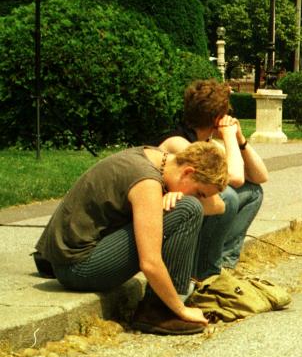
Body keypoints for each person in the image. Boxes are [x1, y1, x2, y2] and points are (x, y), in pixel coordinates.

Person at [34, 142, 228, 335]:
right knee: (188, 209)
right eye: (200, 192)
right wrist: (181, 309)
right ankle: (159, 311)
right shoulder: (146, 182)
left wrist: (175, 194)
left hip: (68, 257)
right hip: (77, 268)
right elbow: (150, 262)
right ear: (187, 172)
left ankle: (166, 302)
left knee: (188, 204)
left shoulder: (157, 158)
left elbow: (220, 206)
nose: (200, 198)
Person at [156, 80, 269, 279]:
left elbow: (260, 176)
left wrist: (241, 141)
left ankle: (225, 263)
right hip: (167, 217)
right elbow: (234, 178)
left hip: (188, 211)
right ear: (218, 119)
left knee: (253, 192)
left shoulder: (205, 142)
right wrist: (229, 136)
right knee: (227, 197)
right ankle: (206, 272)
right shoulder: (178, 143)